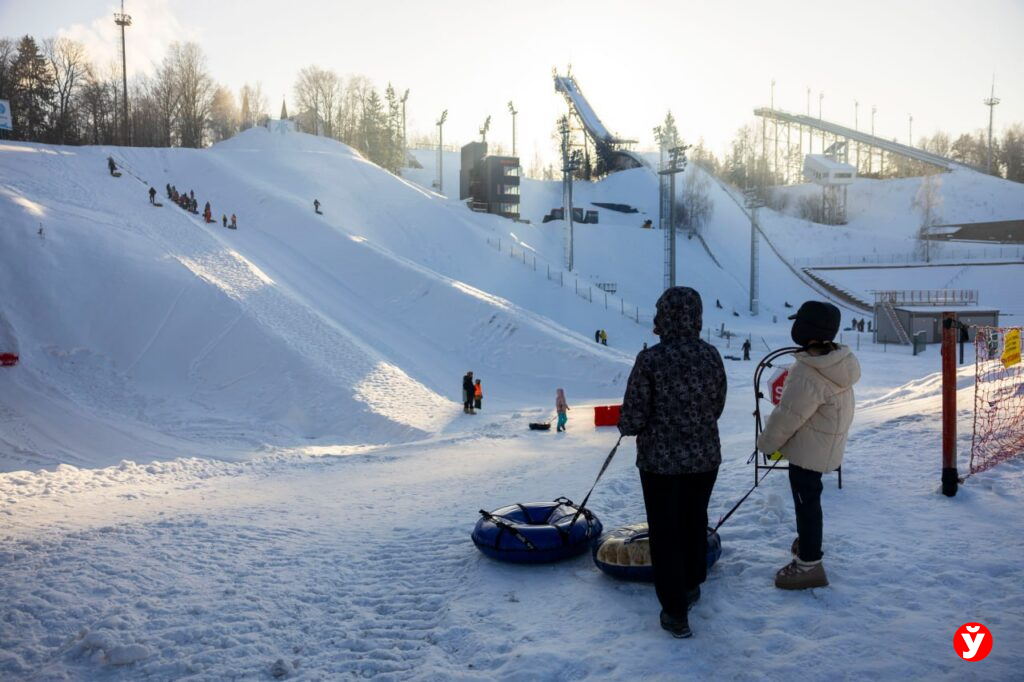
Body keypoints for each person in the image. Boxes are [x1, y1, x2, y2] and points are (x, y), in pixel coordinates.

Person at [618, 287, 727, 639]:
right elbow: (717, 406)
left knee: (665, 532)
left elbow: (634, 415)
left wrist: (627, 425)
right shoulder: (711, 356)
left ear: (662, 316)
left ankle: (675, 611)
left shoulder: (651, 360)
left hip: (659, 464)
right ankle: (692, 583)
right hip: (704, 459)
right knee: (694, 520)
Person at [757, 301, 860, 590]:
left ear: (804, 330)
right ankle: (807, 542)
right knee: (810, 500)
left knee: (807, 505)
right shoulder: (838, 361)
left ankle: (809, 564)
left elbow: (788, 416)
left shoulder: (808, 372)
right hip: (825, 444)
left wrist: (767, 444)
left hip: (809, 450)